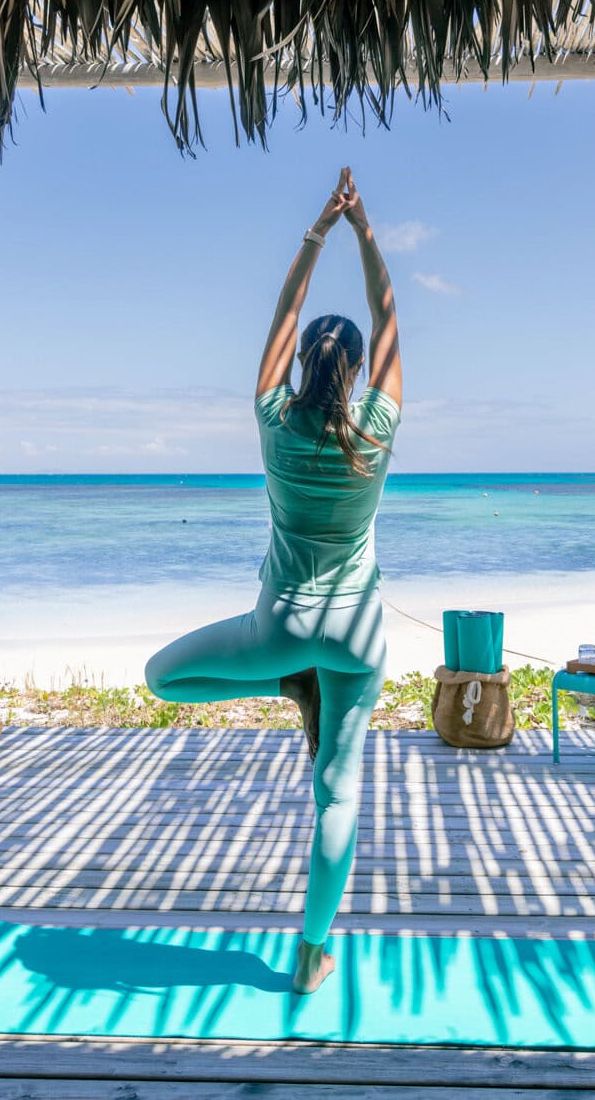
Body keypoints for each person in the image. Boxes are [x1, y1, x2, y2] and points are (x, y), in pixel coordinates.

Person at [145, 167, 402, 994]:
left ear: (300, 371)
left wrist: (317, 232)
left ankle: (279, 686)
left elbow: (281, 319)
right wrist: (366, 232)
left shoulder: (273, 422)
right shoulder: (377, 428)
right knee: (339, 792)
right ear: (357, 375)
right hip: (360, 633)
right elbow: (389, 317)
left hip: (281, 630)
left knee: (163, 679)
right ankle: (312, 951)